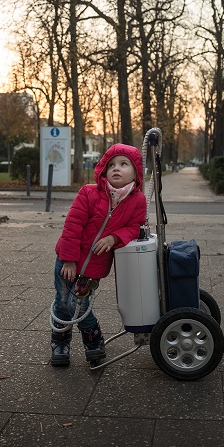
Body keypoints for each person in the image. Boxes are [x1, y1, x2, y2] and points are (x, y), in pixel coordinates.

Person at [49, 143, 147, 367]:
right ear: (103, 170)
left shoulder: (137, 201)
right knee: (64, 303)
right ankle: (61, 342)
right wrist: (70, 259)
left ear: (136, 171)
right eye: (111, 164)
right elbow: (72, 226)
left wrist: (114, 238)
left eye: (124, 164)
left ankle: (93, 341)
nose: (116, 169)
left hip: (94, 268)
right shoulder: (89, 193)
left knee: (81, 305)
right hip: (68, 261)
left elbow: (135, 227)